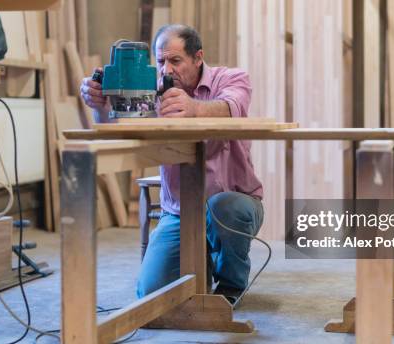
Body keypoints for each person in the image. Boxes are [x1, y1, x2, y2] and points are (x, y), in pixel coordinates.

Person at [80, 24, 263, 304]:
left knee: (225, 208)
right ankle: (201, 259)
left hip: (234, 203)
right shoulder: (151, 91)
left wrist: (194, 109)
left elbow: (231, 107)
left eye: (175, 61)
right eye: (161, 61)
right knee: (151, 295)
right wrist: (101, 106)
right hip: (179, 212)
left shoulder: (232, 79)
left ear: (198, 57)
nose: (166, 69)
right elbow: (121, 128)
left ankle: (231, 285)